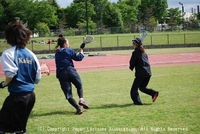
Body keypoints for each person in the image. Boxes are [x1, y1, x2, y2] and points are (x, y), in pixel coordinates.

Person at [0, 22, 41, 134]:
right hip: (31, 96)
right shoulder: (31, 54)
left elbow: (10, 73)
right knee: (20, 128)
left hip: (17, 97)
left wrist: (4, 84)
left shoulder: (8, 53)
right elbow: (37, 78)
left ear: (9, 37)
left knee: (2, 126)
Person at [55, 35, 89, 115]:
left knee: (68, 94)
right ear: (65, 43)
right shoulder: (68, 50)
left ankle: (78, 108)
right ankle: (81, 99)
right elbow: (78, 58)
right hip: (70, 71)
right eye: (68, 43)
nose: (69, 44)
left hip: (61, 74)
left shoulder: (57, 52)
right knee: (79, 85)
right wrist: (81, 50)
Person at [129, 38, 159, 105]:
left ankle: (138, 103)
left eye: (133, 44)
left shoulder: (135, 53)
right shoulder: (144, 53)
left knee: (134, 89)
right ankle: (153, 93)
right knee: (142, 88)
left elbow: (132, 62)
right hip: (148, 73)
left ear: (136, 45)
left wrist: (131, 67)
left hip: (141, 74)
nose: (132, 45)